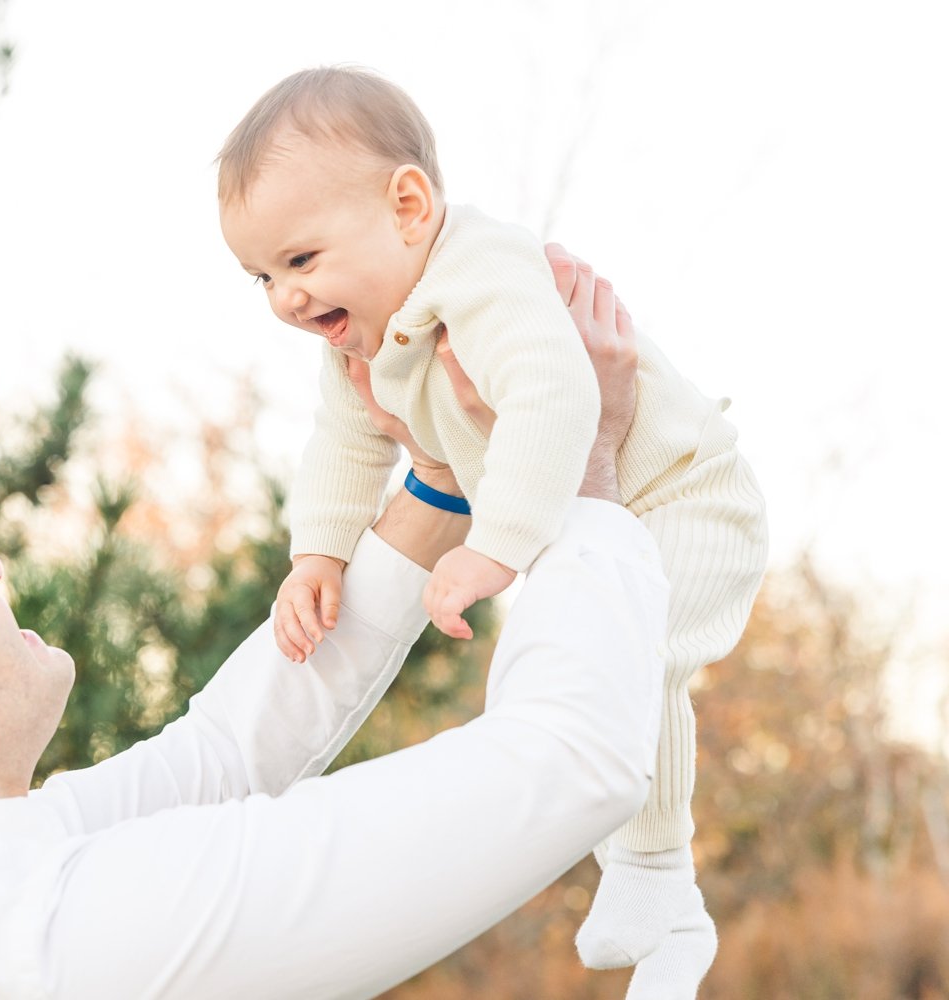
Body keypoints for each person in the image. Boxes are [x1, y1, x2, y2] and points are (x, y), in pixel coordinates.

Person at [0, 250, 651, 999]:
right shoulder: (68, 943)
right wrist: (590, 463)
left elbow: (223, 752)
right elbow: (569, 761)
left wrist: (435, 478)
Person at [216, 67, 769, 999]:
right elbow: (345, 445)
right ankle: (664, 900)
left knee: (626, 665)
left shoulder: (482, 269)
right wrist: (317, 554)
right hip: (600, 521)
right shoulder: (361, 339)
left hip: (683, 495)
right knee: (608, 670)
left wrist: (497, 542)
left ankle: (656, 882)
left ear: (407, 205)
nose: (284, 298)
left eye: (301, 261)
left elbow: (555, 394)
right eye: (261, 277)